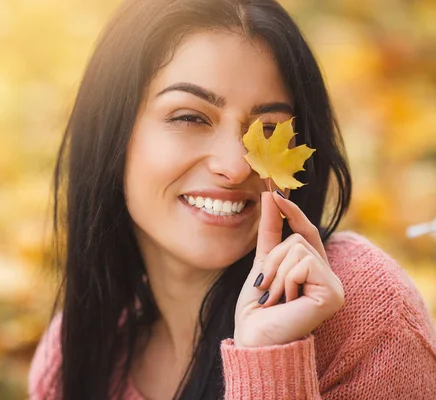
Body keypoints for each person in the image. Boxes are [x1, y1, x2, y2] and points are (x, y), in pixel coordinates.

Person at [28, 0, 436, 398]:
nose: (236, 166)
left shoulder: (363, 313)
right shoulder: (76, 357)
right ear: (110, 133)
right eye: (189, 117)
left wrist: (270, 361)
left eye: (269, 129)